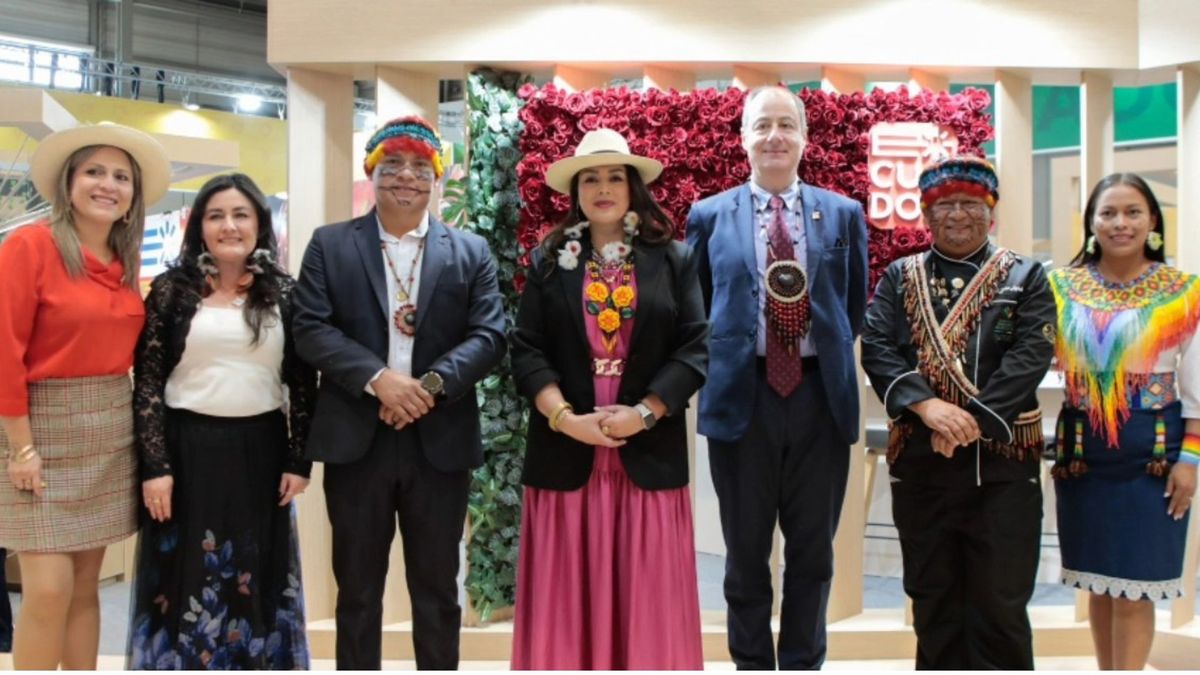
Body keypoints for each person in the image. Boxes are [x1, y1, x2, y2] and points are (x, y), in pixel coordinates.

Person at [292, 115, 506, 670]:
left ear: (436, 177)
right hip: (356, 440)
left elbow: (490, 336)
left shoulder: (470, 251)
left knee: (437, 590)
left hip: (439, 442)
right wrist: (379, 379)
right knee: (358, 591)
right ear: (373, 173)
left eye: (420, 167)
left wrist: (426, 388)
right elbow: (310, 328)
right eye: (393, 165)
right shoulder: (330, 245)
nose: (406, 177)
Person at [509, 129, 709, 669]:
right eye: (590, 178)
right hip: (566, 449)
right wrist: (563, 418)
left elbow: (695, 349)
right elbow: (526, 350)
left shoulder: (674, 260)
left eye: (614, 177)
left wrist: (644, 414)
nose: (602, 188)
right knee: (567, 588)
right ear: (575, 191)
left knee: (647, 589)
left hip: (646, 447)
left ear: (633, 187)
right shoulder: (549, 261)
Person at [685, 85, 868, 669]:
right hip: (744, 398)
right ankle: (751, 664)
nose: (775, 137)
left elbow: (853, 306)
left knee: (813, 553)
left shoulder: (841, 213)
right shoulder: (710, 217)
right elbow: (698, 308)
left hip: (819, 396)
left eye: (787, 125)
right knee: (744, 553)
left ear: (805, 138)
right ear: (743, 139)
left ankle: (802, 662)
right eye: (762, 126)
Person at [860, 156, 1057, 669]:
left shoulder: (1026, 275)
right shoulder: (900, 278)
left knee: (1001, 604)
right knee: (934, 601)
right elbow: (878, 347)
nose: (957, 216)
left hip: (1003, 467)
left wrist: (970, 420)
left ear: (991, 212)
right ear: (925, 215)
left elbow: (1029, 358)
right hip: (924, 464)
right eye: (944, 205)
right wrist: (926, 406)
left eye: (970, 204)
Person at [125, 173, 315, 669]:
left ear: (259, 224)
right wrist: (155, 466)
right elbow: (147, 382)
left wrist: (300, 459)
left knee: (255, 574)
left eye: (240, 214)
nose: (229, 225)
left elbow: (302, 380)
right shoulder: (171, 290)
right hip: (187, 451)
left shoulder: (285, 293)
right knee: (185, 575)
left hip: (262, 451)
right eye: (216, 216)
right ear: (200, 228)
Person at [0, 123, 170, 669]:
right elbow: (4, 351)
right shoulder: (30, 245)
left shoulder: (126, 261)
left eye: (121, 177)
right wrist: (21, 448)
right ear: (69, 182)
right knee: (46, 589)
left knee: (83, 584)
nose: (108, 185)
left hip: (109, 427)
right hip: (39, 430)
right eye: (94, 172)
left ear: (132, 196)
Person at [1049, 173, 1199, 671]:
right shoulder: (1058, 286)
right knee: (1099, 579)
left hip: (1152, 454)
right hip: (1081, 453)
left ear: (1153, 220)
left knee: (1136, 588)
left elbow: (1197, 390)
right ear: (1091, 222)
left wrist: (1190, 461)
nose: (1120, 223)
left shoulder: (1184, 291)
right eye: (1108, 213)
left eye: (1133, 212)